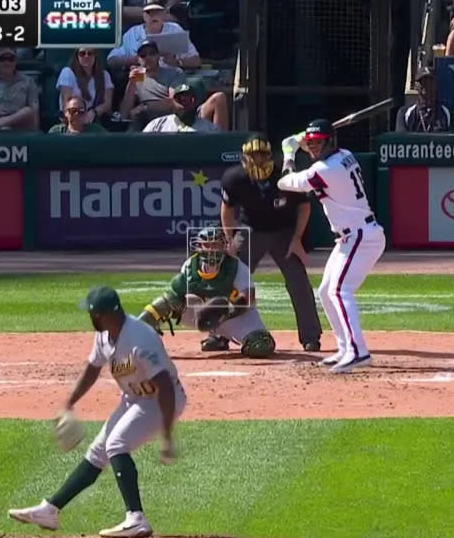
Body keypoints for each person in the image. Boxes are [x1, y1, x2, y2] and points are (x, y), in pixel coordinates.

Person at [7, 286, 183, 538]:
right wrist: (69, 402)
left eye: (92, 313)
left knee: (116, 444)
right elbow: (92, 369)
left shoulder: (140, 339)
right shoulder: (104, 336)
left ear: (103, 314)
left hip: (162, 399)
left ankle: (136, 518)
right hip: (135, 397)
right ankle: (50, 510)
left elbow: (165, 385)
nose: (90, 318)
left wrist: (166, 434)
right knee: (98, 451)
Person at [277, 119, 386, 375]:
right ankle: (345, 347)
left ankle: (359, 352)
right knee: (326, 291)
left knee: (340, 290)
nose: (314, 147)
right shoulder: (344, 155)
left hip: (361, 236)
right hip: (351, 237)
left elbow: (286, 182)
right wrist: (305, 139)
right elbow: (317, 152)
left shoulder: (324, 171)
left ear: (330, 142)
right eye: (311, 143)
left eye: (319, 143)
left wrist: (289, 153)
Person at [218, 134, 322, 352]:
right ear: (244, 157)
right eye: (253, 155)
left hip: (283, 232)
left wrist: (296, 239)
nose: (257, 160)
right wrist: (230, 241)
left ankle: (310, 336)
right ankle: (218, 334)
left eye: (262, 155)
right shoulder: (234, 177)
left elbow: (304, 207)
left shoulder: (285, 176)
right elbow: (226, 209)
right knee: (229, 279)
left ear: (271, 156)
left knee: (298, 282)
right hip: (249, 230)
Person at [137, 227, 277, 357]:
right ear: (199, 247)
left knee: (260, 345)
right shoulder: (190, 266)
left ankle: (222, 336)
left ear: (224, 246)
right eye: (207, 245)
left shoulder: (237, 267)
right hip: (200, 315)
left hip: (234, 315)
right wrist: (204, 310)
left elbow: (249, 297)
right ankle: (138, 334)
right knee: (166, 301)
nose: (211, 250)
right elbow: (174, 295)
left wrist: (226, 309)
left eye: (215, 245)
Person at [56, 47, 114, 123]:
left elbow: (107, 104)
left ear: (95, 56)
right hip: (71, 120)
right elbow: (66, 102)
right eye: (82, 53)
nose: (86, 56)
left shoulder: (104, 75)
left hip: (92, 120)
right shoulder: (67, 72)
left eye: (90, 53)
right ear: (77, 56)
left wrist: (93, 112)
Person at [395, 66, 454, 132]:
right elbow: (401, 140)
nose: (426, 85)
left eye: (430, 82)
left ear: (436, 85)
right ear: (416, 86)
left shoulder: (450, 113)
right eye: (422, 82)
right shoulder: (404, 114)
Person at [141, 83, 218, 132]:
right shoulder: (157, 125)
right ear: (172, 102)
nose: (185, 104)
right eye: (180, 99)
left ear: (196, 102)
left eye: (190, 99)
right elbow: (143, 146)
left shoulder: (210, 129)